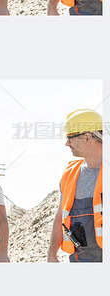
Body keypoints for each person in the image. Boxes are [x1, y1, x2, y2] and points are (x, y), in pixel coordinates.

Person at [47, 109, 103, 263]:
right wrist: (52, 254)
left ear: (87, 137)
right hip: (79, 260)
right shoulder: (69, 174)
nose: (67, 143)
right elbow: (60, 216)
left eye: (70, 138)